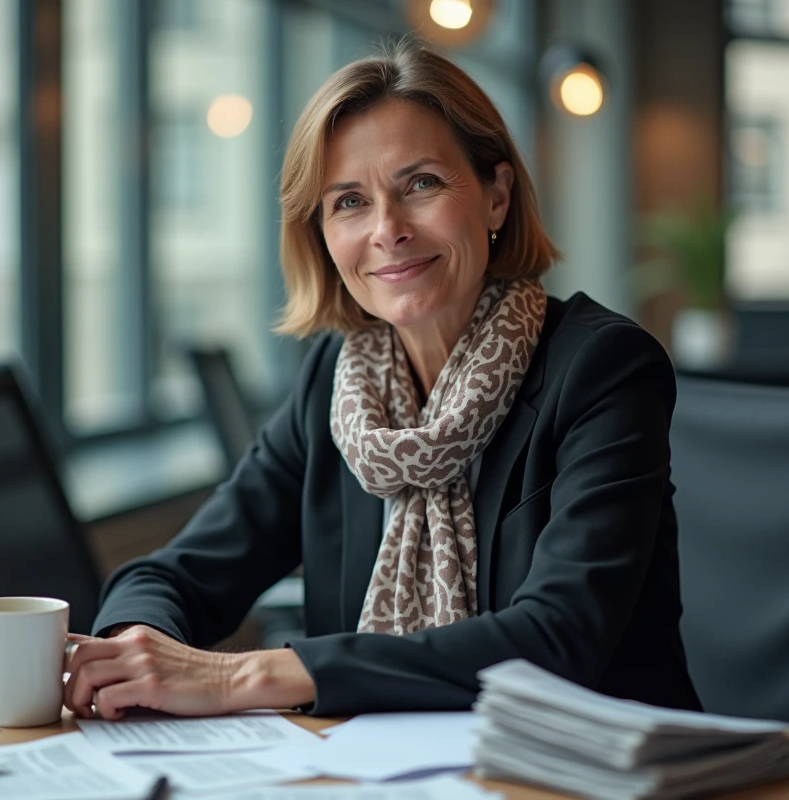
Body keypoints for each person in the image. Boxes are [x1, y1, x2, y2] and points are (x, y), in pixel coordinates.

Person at [64, 42, 702, 720]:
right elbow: (174, 574)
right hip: (372, 771)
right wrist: (131, 654)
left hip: (586, 768)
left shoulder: (602, 369)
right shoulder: (336, 385)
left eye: (421, 184)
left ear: (495, 195)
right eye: (349, 202)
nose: (387, 230)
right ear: (323, 235)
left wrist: (242, 677)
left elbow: (557, 638)